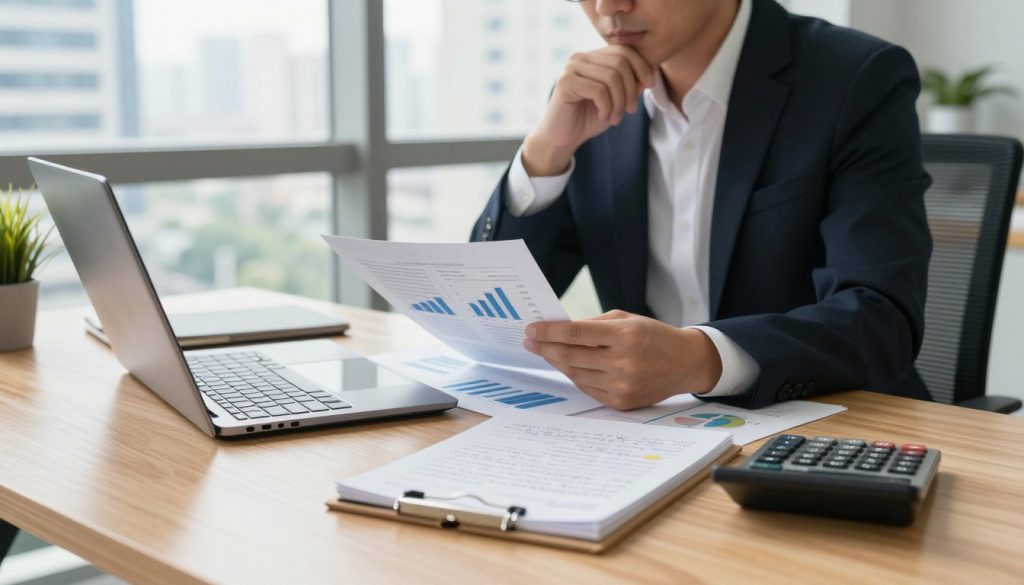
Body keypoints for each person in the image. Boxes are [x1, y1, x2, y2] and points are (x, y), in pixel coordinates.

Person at [470, 0, 933, 411]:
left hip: (832, 427)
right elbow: (491, 312)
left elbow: (880, 318)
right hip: (653, 434)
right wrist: (546, 151)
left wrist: (698, 359)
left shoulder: (856, 76)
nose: (608, 7)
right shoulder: (592, 99)